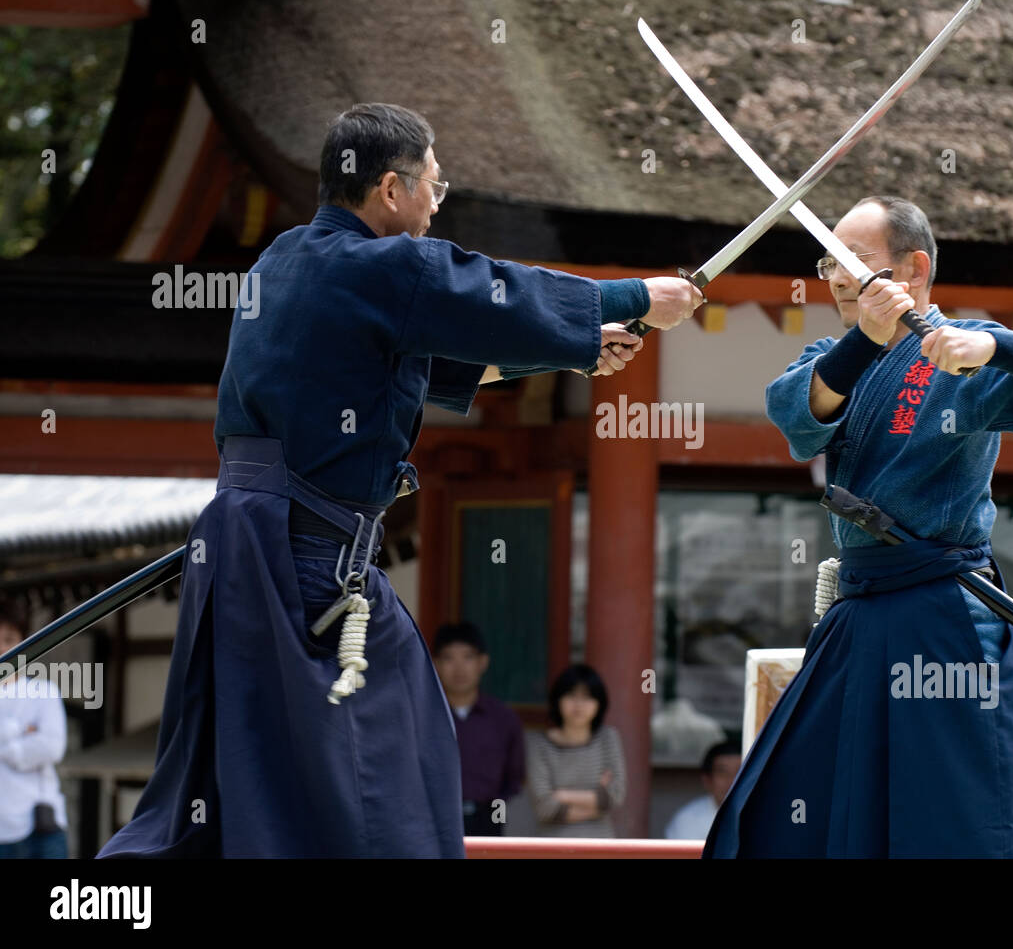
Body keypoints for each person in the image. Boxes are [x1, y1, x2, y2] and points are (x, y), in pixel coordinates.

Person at [99, 103, 701, 858]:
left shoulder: (285, 261)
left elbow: (423, 364)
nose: (436, 208)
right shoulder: (382, 265)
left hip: (251, 547)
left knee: (236, 769)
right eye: (436, 188)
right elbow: (485, 289)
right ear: (392, 188)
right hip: (308, 560)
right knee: (388, 763)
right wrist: (635, 296)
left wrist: (577, 347)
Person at [705, 195, 1013, 858]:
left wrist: (994, 345)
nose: (834, 276)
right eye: (827, 261)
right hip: (859, 617)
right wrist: (865, 337)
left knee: (957, 820)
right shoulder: (836, 357)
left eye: (852, 262)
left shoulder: (963, 354)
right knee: (793, 812)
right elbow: (796, 416)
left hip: (945, 616)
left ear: (912, 270)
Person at [430, 621, 525, 836]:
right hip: (434, 818)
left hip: (488, 816)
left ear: (482, 662)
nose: (459, 667)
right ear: (435, 664)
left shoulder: (503, 718)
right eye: (448, 658)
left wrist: (496, 820)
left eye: (468, 657)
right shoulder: (424, 716)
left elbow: (514, 779)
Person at [0, 605, 69, 859]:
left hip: (39, 825)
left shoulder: (43, 690)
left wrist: (9, 746)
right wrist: (21, 735)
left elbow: (52, 746)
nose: (2, 648)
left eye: (9, 640)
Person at [525, 664, 626, 837]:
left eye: (587, 697)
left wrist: (561, 795)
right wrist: (597, 801)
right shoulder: (538, 744)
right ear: (558, 700)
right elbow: (544, 807)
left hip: (601, 843)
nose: (578, 704)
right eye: (571, 695)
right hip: (552, 845)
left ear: (599, 703)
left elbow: (615, 795)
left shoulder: (607, 738)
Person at [664, 739, 743, 840]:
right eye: (723, 772)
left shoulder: (762, 815)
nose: (732, 780)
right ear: (707, 780)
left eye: (739, 771)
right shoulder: (688, 820)